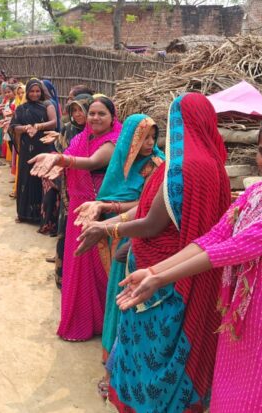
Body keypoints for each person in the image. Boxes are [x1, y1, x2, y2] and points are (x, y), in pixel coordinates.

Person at [117, 113, 262, 413]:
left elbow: (238, 247)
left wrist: (161, 278)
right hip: (238, 323)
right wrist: (155, 270)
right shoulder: (256, 194)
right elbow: (214, 237)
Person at [75, 93, 231, 412]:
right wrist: (112, 217)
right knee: (177, 348)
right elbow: (148, 209)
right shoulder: (212, 164)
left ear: (179, 123)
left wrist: (108, 228)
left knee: (156, 351)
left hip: (164, 278)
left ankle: (148, 403)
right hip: (189, 270)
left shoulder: (183, 168)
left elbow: (152, 223)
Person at [74, 112, 163, 398]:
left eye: (153, 137)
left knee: (131, 303)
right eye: (143, 138)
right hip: (118, 236)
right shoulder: (121, 166)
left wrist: (107, 209)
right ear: (130, 141)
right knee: (118, 296)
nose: (149, 143)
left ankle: (118, 370)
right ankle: (111, 364)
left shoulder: (157, 166)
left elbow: (149, 206)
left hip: (142, 237)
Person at [29, 96, 122, 341]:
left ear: (113, 116)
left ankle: (102, 320)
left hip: (100, 208)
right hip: (78, 207)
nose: (95, 118)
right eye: (91, 113)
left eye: (101, 113)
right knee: (79, 262)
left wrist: (60, 159)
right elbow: (70, 155)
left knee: (98, 265)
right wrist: (57, 166)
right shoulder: (82, 137)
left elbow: (93, 162)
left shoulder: (113, 141)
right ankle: (84, 317)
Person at [51, 94, 91, 288]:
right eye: (73, 110)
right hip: (68, 187)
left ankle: (82, 280)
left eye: (81, 110)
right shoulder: (67, 130)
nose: (77, 114)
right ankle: (63, 276)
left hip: (90, 190)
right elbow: (59, 153)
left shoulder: (98, 133)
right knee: (66, 230)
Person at [9, 79, 57, 223]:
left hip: (43, 146)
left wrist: (38, 126)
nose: (35, 94)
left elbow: (53, 123)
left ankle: (41, 215)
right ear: (27, 92)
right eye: (31, 91)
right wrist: (25, 128)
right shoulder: (21, 108)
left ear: (41, 92)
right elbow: (14, 126)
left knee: (41, 178)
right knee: (26, 178)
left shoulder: (48, 105)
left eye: (37, 91)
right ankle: (24, 214)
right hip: (26, 148)